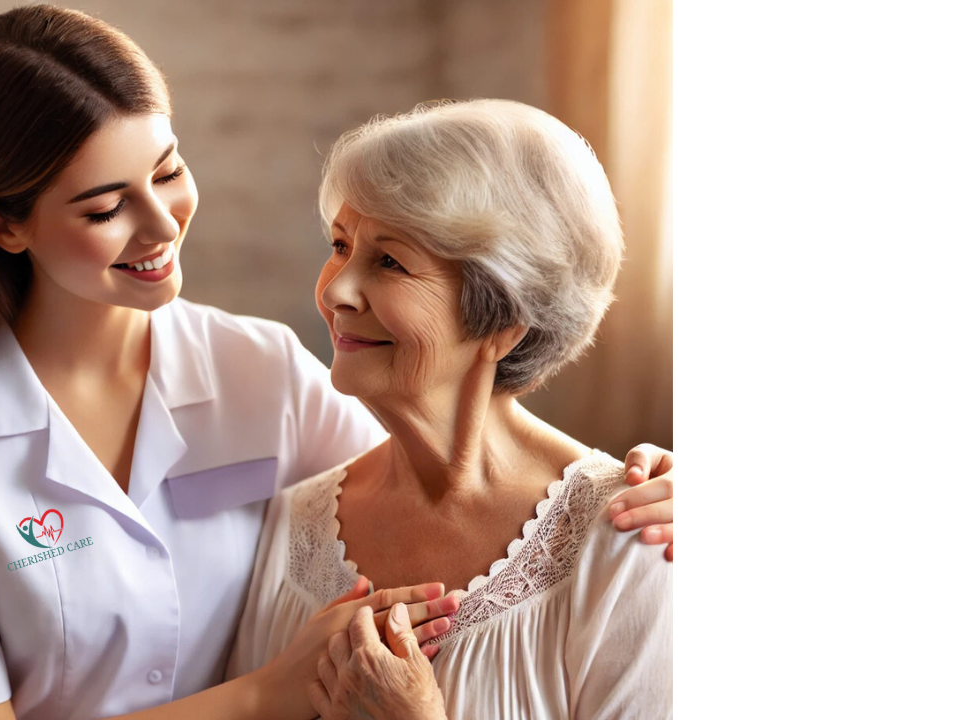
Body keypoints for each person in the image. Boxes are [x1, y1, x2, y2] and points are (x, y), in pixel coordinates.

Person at [0, 6, 677, 720]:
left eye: (169, 170)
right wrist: (262, 698)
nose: (161, 225)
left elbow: (447, 447)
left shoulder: (262, 368)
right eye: (105, 207)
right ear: (3, 226)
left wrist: (657, 490)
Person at [226, 99, 673, 719]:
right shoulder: (293, 525)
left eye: (389, 261)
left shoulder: (635, 541)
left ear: (504, 319)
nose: (334, 290)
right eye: (340, 244)